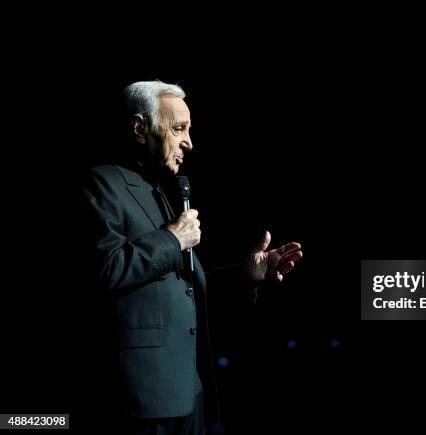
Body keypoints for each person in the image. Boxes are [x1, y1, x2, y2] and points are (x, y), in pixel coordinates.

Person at [82, 80, 303, 434]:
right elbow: (104, 270)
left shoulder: (161, 193)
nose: (189, 141)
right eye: (179, 128)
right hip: (142, 398)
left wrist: (244, 276)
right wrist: (172, 239)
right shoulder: (101, 184)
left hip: (191, 389)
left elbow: (180, 288)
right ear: (140, 127)